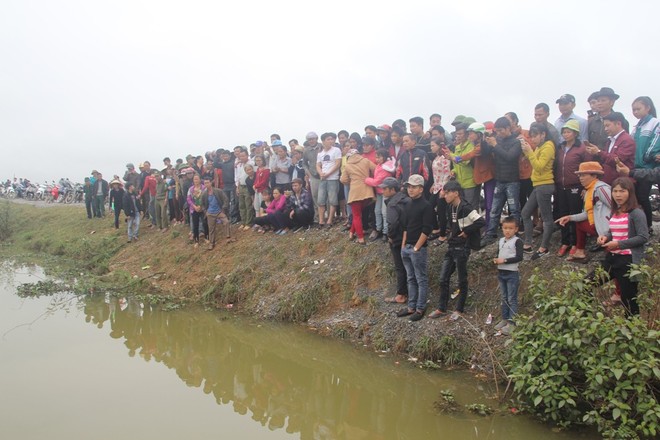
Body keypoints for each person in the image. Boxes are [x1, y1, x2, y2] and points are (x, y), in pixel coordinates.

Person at [589, 177, 648, 316]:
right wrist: (605, 237)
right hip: (612, 258)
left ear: (630, 193)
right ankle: (588, 318)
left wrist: (619, 244)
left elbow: (643, 237)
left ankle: (632, 333)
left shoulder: (636, 213)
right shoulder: (615, 211)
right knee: (586, 284)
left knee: (629, 301)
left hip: (628, 261)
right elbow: (613, 232)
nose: (618, 195)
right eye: (615, 191)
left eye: (622, 191)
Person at [429, 181, 485, 320]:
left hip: (463, 247)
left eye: (447, 192)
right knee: (443, 278)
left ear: (456, 193)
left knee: (462, 279)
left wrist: (466, 232)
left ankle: (459, 309)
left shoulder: (466, 207)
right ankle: (442, 308)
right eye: (445, 192)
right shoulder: (450, 207)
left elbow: (480, 221)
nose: (445, 195)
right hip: (452, 246)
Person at [556, 162, 612, 262]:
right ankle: (580, 252)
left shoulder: (601, 188)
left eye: (583, 175)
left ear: (594, 175)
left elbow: (616, 208)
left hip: (608, 229)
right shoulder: (588, 190)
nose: (580, 178)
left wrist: (611, 230)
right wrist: (569, 217)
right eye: (579, 175)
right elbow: (587, 214)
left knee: (612, 258)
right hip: (597, 226)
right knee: (579, 224)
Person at [397, 174, 434, 322]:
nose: (410, 190)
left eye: (413, 187)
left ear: (421, 189)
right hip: (407, 247)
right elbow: (406, 226)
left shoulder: (426, 206)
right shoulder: (408, 204)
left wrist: (417, 248)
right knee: (410, 278)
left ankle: (420, 308)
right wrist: (403, 245)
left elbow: (427, 229)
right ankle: (411, 306)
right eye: (409, 187)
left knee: (420, 278)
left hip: (418, 248)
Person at [481, 117, 522, 246]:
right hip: (499, 180)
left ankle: (514, 233)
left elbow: (509, 157)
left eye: (500, 130)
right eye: (496, 131)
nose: (498, 133)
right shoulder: (496, 140)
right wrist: (484, 141)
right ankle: (490, 233)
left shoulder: (516, 142)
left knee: (514, 209)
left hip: (512, 181)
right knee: (494, 209)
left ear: (508, 128)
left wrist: (495, 145)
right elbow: (485, 153)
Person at [520, 123, 555, 259]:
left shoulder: (548, 146)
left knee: (546, 218)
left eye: (535, 136)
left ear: (543, 134)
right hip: (538, 184)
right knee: (525, 212)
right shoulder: (540, 147)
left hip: (545, 184)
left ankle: (544, 248)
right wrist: (527, 152)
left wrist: (529, 152)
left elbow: (539, 166)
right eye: (531, 136)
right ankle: (528, 244)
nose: (533, 139)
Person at [555, 120, 589, 257]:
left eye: (568, 132)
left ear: (575, 133)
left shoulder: (581, 148)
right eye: (564, 132)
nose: (565, 134)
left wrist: (585, 187)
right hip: (561, 186)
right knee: (562, 213)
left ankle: (576, 243)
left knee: (574, 214)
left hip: (575, 185)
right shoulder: (560, 147)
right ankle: (565, 242)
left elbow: (587, 167)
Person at [630, 96, 660, 230]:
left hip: (647, 167)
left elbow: (654, 144)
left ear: (648, 108)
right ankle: (638, 226)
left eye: (638, 109)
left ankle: (648, 226)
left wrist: (646, 158)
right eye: (633, 109)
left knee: (643, 197)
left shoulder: (655, 123)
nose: (635, 112)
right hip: (635, 167)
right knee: (635, 197)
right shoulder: (636, 127)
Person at [584, 112, 635, 185]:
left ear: (618, 124)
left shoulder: (627, 140)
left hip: (622, 184)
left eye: (607, 126)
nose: (605, 129)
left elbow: (617, 160)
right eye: (604, 126)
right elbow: (606, 159)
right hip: (609, 181)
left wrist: (598, 152)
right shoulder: (610, 140)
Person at [381, 177, 410, 304]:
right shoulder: (407, 199)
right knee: (410, 267)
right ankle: (411, 293)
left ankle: (401, 295)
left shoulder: (392, 204)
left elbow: (392, 223)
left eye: (385, 189)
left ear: (392, 190)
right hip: (411, 237)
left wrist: (391, 236)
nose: (383, 191)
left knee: (400, 267)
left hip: (398, 239)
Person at [492, 216, 523, 335]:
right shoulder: (501, 240)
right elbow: (499, 253)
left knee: (512, 298)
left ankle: (512, 323)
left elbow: (519, 257)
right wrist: (496, 260)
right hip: (501, 272)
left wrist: (504, 261)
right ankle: (504, 318)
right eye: (505, 228)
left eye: (510, 228)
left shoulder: (517, 241)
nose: (507, 231)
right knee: (504, 297)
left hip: (512, 273)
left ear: (516, 229)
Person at [340, 148, 376, 244]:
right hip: (367, 190)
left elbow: (343, 180)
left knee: (356, 215)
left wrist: (352, 181)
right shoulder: (365, 160)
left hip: (355, 192)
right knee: (359, 213)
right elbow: (376, 169)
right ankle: (352, 232)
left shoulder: (347, 166)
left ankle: (360, 238)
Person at [442, 123, 479, 208]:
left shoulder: (471, 146)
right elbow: (456, 164)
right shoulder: (457, 147)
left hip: (470, 182)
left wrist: (451, 156)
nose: (458, 136)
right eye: (457, 134)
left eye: (460, 134)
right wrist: (453, 171)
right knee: (461, 206)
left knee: (470, 207)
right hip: (459, 182)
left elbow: (464, 162)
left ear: (466, 134)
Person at [364, 149, 395, 241]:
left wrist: (366, 179)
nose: (377, 159)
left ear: (384, 157)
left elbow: (377, 181)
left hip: (385, 193)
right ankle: (378, 229)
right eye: (376, 157)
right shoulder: (379, 165)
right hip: (379, 192)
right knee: (377, 211)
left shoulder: (386, 168)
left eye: (379, 157)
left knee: (384, 213)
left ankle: (385, 232)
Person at [315, 132, 342, 228]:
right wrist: (320, 173)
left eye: (332, 139)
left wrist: (328, 174)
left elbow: (337, 164)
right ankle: (321, 221)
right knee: (320, 200)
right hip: (323, 178)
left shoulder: (336, 150)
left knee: (332, 200)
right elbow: (318, 165)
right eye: (328, 139)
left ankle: (330, 220)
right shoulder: (320, 153)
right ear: (323, 141)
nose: (331, 141)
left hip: (333, 178)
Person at [429, 136, 452, 242]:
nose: (431, 148)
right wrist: (434, 184)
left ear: (439, 146)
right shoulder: (436, 157)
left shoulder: (445, 158)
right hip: (436, 186)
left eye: (433, 145)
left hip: (443, 187)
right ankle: (436, 229)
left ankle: (442, 235)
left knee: (441, 212)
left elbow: (447, 174)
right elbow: (437, 174)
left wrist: (444, 189)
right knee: (429, 207)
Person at [202, 177, 230, 249]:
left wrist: (223, 209)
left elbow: (225, 199)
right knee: (211, 229)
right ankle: (211, 243)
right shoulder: (204, 194)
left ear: (211, 183)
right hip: (210, 213)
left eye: (208, 182)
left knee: (226, 222)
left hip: (219, 211)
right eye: (205, 183)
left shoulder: (218, 191)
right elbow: (202, 204)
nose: (206, 184)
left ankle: (228, 237)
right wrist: (206, 212)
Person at [302, 132, 321, 221]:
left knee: (326, 197)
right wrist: (308, 173)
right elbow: (304, 163)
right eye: (309, 139)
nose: (312, 141)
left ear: (316, 138)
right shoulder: (306, 150)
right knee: (315, 196)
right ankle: (318, 217)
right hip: (313, 175)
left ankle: (329, 216)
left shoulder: (322, 147)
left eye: (313, 139)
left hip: (324, 175)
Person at [235, 149, 254, 230]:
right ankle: (243, 222)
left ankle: (248, 223)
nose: (242, 158)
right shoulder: (239, 165)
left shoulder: (252, 163)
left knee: (248, 205)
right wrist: (237, 187)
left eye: (243, 156)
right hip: (241, 186)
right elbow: (238, 176)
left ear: (247, 155)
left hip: (248, 186)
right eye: (240, 156)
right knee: (241, 205)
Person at [187, 174, 206, 247]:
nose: (196, 180)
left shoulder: (204, 188)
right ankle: (196, 240)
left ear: (200, 180)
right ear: (193, 180)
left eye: (197, 179)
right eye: (195, 179)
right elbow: (188, 199)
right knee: (195, 224)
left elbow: (205, 197)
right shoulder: (190, 189)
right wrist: (194, 206)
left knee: (204, 222)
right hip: (194, 208)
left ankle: (205, 236)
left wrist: (201, 206)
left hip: (202, 208)